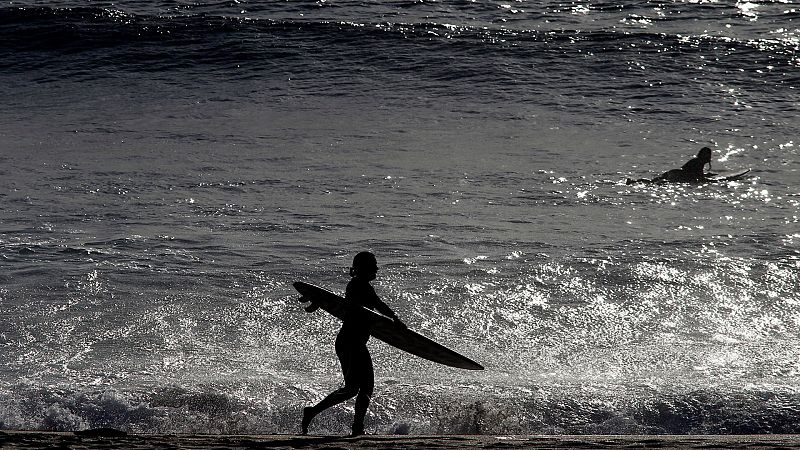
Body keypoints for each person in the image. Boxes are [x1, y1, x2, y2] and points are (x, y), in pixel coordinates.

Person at [301, 251, 404, 436]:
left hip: (348, 342)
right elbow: (375, 305)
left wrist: (318, 302)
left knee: (352, 389)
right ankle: (356, 428)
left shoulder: (358, 285)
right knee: (364, 387)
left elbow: (354, 306)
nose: (377, 268)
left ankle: (313, 412)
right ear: (363, 268)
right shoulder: (359, 285)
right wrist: (395, 318)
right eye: (373, 265)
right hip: (352, 342)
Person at [626, 147, 715, 184]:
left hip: (674, 172)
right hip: (677, 175)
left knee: (652, 182)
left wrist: (706, 176)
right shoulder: (699, 162)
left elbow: (694, 174)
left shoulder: (696, 161)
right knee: (655, 183)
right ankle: (634, 182)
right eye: (708, 155)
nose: (709, 157)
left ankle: (634, 182)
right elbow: (699, 178)